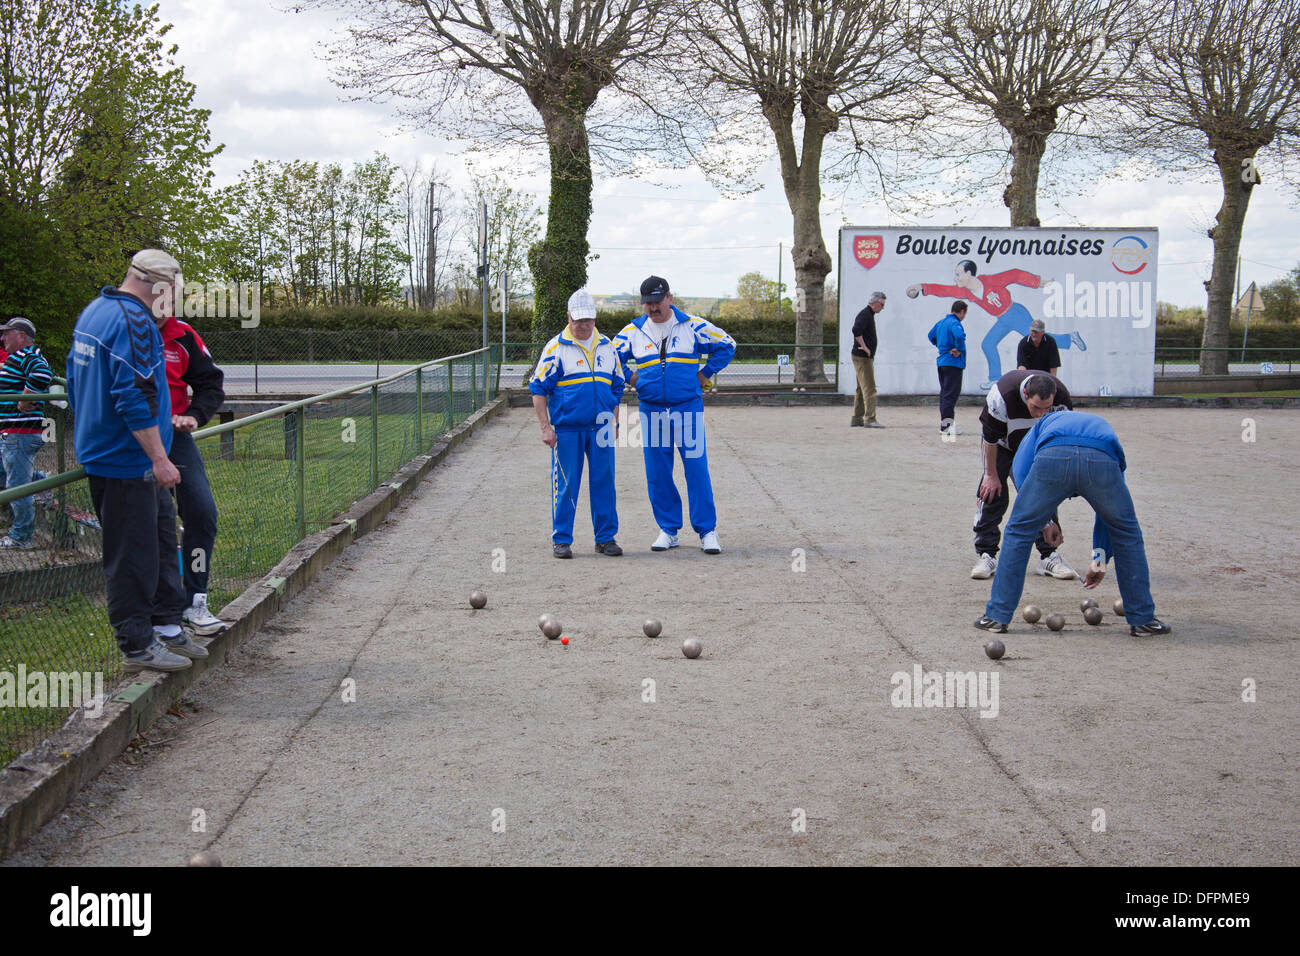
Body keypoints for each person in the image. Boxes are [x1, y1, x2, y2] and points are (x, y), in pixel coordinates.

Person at [65, 249, 207, 672]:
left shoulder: (94, 311)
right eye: (174, 294)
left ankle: (167, 625)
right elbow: (135, 395)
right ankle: (136, 644)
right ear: (158, 287)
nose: (174, 304)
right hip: (127, 461)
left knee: (164, 541)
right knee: (133, 553)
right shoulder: (136, 323)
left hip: (118, 452)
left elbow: (74, 382)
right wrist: (160, 458)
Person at [975, 410, 1172, 636]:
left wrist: (1043, 520)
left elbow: (1021, 470)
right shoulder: (1101, 425)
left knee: (1018, 531)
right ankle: (1143, 620)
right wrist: (1099, 560)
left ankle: (996, 617)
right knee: (1126, 532)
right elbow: (1110, 518)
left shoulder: (1043, 424)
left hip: (1053, 457)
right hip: (1101, 459)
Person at [614, 275, 735, 554]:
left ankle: (707, 531)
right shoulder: (633, 331)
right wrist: (633, 379)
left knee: (697, 469)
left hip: (687, 409)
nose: (653, 309)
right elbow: (610, 356)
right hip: (651, 409)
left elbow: (727, 344)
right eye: (647, 304)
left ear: (670, 298)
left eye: (657, 302)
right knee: (657, 473)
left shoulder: (693, 326)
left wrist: (703, 375)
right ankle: (669, 530)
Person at [530, 289, 625, 559]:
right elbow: (538, 389)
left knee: (604, 482)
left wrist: (614, 421)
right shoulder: (555, 348)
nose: (583, 325)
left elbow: (617, 387)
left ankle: (605, 539)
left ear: (595, 318)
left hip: (601, 429)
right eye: (578, 319)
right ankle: (561, 539)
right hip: (568, 429)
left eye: (589, 319)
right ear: (568, 317)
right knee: (566, 484)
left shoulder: (608, 346)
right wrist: (545, 427)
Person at [906, 260, 1084, 389]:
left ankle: (1070, 338)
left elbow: (1014, 274)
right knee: (988, 344)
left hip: (1015, 313)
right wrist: (921, 287)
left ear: (969, 274)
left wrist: (1040, 283)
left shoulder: (990, 281)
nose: (956, 278)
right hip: (1003, 319)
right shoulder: (967, 292)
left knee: (1038, 339)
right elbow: (945, 290)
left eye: (958, 274)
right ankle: (995, 379)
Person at [158, 308, 228, 634]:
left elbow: (210, 382)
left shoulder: (182, 334)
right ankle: (159, 615)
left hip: (175, 437)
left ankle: (195, 599)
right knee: (151, 525)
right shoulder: (122, 329)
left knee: (202, 513)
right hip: (131, 439)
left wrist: (195, 416)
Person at [971, 370, 1077, 581]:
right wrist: (990, 475)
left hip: (1035, 448)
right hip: (1002, 446)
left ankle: (1048, 556)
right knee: (992, 493)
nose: (1040, 414)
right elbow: (989, 440)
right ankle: (986, 554)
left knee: (1044, 494)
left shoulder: (1062, 399)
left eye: (1046, 408)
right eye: (1036, 407)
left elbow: (1061, 440)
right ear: (1026, 394)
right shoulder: (1001, 395)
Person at [0, 317, 54, 549]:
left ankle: (21, 537)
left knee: (16, 487)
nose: (2, 338)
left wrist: (26, 398)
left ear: (21, 335)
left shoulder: (28, 355)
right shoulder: (18, 358)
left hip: (20, 433)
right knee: (7, 477)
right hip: (12, 433)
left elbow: (43, 374)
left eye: (6, 333)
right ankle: (43, 482)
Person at [927, 301, 967, 437]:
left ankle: (945, 424)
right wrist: (958, 349)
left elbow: (930, 335)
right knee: (950, 395)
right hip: (953, 363)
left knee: (945, 394)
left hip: (942, 362)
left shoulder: (941, 322)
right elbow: (960, 336)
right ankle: (947, 427)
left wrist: (941, 346)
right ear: (961, 311)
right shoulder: (955, 323)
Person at [849, 291, 885, 427]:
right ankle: (870, 419)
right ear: (875, 302)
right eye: (882, 304)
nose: (883, 307)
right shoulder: (865, 314)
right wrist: (864, 347)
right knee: (870, 388)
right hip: (863, 358)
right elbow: (856, 330)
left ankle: (857, 418)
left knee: (860, 388)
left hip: (861, 357)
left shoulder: (868, 314)